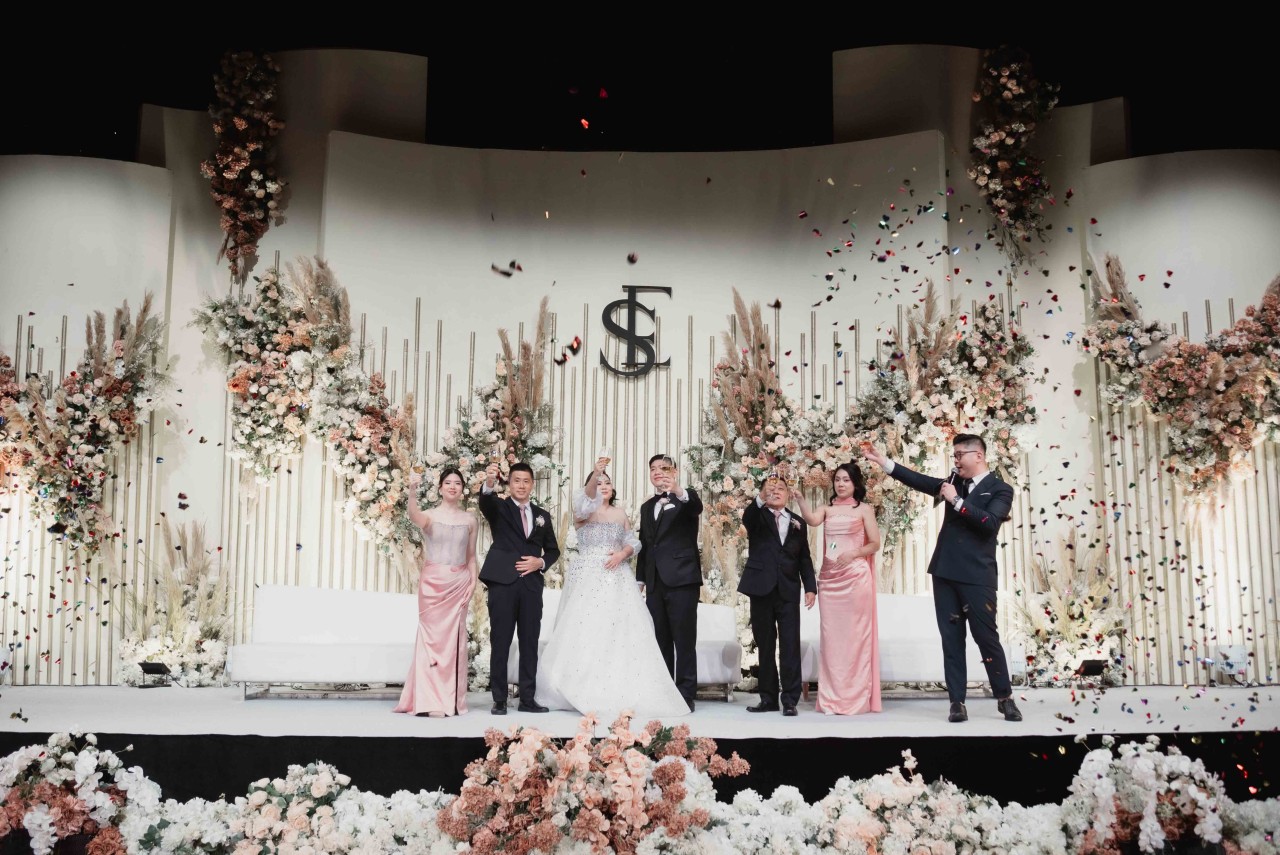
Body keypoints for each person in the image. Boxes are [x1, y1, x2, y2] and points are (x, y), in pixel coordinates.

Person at [862, 434, 1022, 723]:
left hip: (977, 575)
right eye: (954, 455)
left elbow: (990, 523)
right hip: (945, 571)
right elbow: (919, 480)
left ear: (978, 456)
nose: (956, 461)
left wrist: (957, 501)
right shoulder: (952, 483)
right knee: (951, 639)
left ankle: (1004, 697)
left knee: (986, 637)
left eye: (960, 455)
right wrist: (883, 462)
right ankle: (957, 701)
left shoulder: (1000, 489)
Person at [536, 457, 689, 718]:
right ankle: (579, 685)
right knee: (585, 628)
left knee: (620, 630)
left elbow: (634, 542)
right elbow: (583, 501)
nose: (604, 485)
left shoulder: (620, 514)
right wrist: (596, 473)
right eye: (598, 482)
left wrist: (622, 554)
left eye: (607, 482)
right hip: (588, 576)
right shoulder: (583, 512)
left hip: (617, 576)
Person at [795, 462, 882, 715]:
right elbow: (812, 521)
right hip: (830, 579)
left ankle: (854, 697)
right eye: (837, 480)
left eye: (846, 480)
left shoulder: (864, 509)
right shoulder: (827, 509)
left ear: (855, 483)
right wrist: (800, 500)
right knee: (832, 639)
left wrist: (854, 553)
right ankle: (833, 697)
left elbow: (875, 543)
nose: (841, 484)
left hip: (854, 577)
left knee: (855, 638)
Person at [393, 468, 479, 717]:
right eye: (448, 482)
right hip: (433, 584)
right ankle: (429, 700)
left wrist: (472, 583)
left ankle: (449, 700)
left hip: (459, 583)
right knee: (431, 641)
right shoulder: (429, 516)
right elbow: (413, 515)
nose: (452, 486)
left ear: (462, 489)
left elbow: (471, 557)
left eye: (457, 483)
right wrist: (412, 490)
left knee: (453, 643)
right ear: (440, 488)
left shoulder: (470, 520)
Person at [479, 461, 560, 715]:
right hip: (503, 584)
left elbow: (553, 550)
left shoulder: (542, 515)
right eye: (517, 481)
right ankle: (499, 699)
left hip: (531, 587)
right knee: (500, 641)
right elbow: (485, 501)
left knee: (529, 643)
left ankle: (527, 699)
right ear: (509, 483)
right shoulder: (500, 507)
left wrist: (540, 562)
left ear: (532, 484)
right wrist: (489, 482)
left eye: (526, 481)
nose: (521, 485)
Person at [738, 475, 816, 716]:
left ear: (788, 494)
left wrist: (810, 587)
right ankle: (768, 698)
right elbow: (747, 517)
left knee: (790, 644)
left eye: (781, 488)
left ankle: (790, 700)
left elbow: (804, 557)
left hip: (788, 589)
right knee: (765, 644)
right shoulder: (757, 516)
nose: (776, 491)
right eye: (771, 488)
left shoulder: (798, 522)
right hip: (761, 588)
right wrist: (761, 497)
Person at [636, 454, 703, 712]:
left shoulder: (686, 498)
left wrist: (677, 490)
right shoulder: (646, 507)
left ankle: (685, 693)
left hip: (682, 578)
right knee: (660, 639)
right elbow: (645, 545)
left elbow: (695, 507)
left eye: (663, 468)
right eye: (653, 468)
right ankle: (664, 692)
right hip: (655, 581)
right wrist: (641, 579)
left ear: (674, 472)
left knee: (684, 640)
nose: (657, 472)